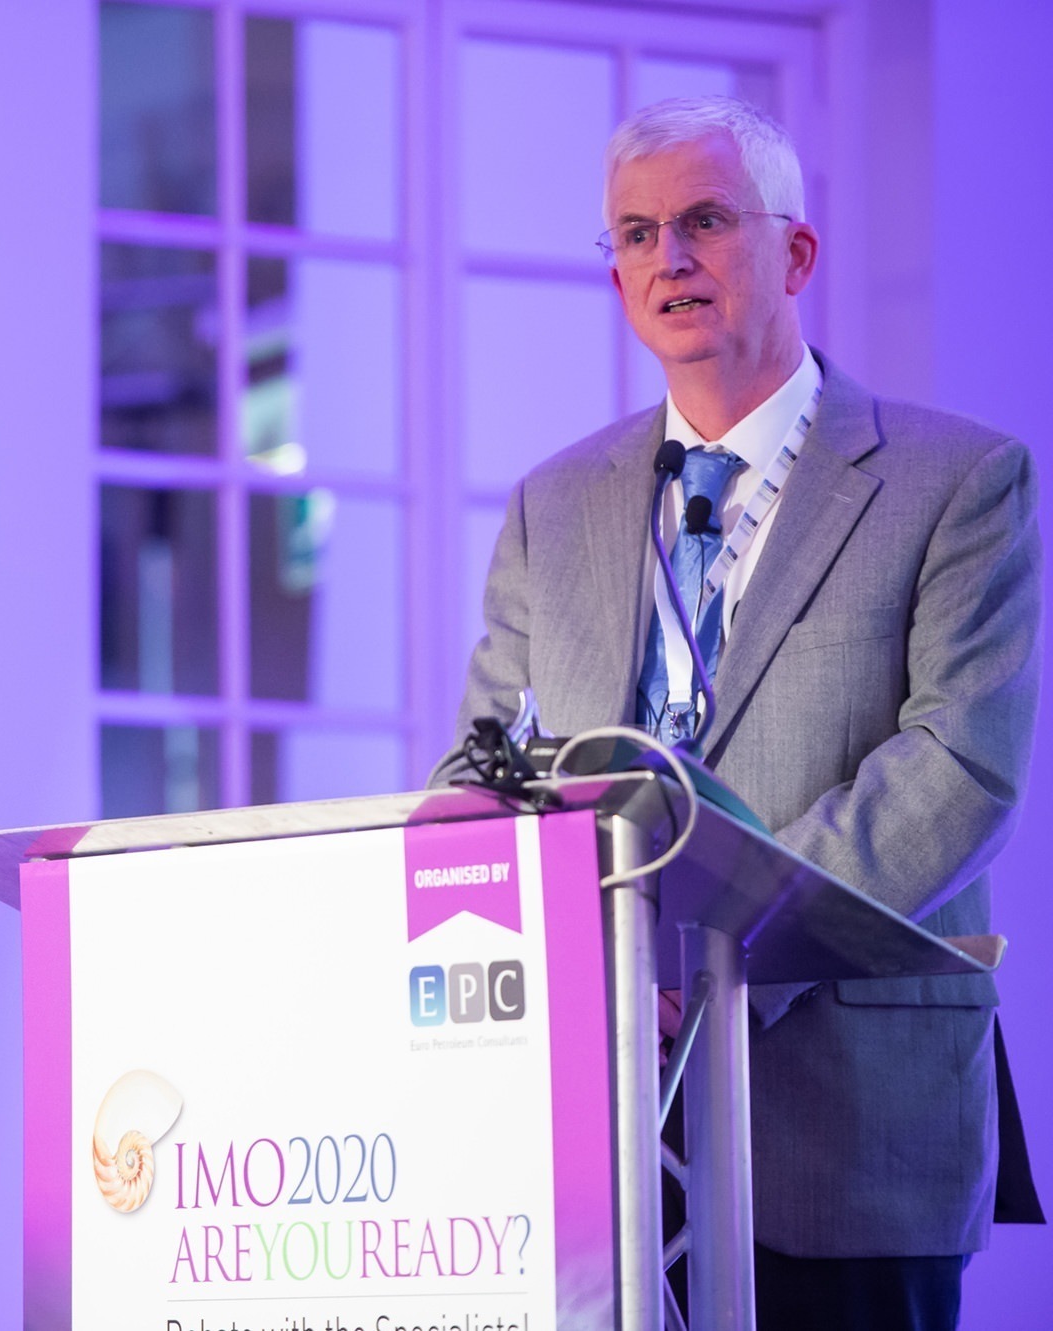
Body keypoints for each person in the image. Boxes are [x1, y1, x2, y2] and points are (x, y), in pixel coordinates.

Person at [441, 96, 1041, 1329]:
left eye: (704, 221)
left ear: (795, 252)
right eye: (634, 233)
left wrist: (709, 959)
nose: (667, 257)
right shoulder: (551, 504)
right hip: (594, 1140)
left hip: (849, 1130)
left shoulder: (957, 481)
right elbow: (479, 774)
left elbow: (957, 766)